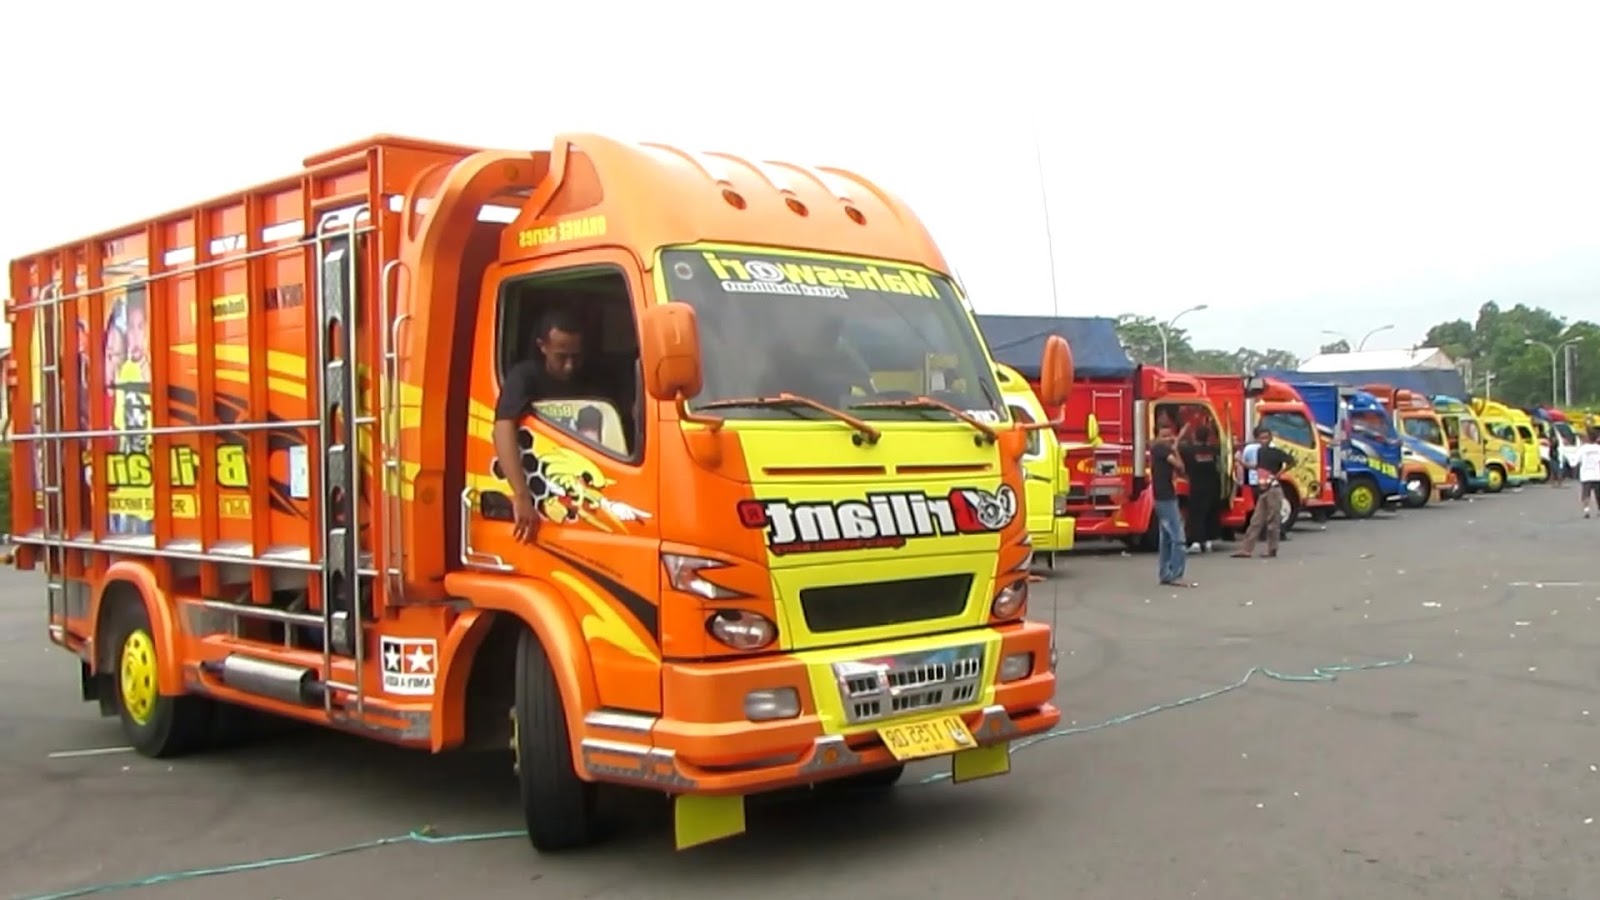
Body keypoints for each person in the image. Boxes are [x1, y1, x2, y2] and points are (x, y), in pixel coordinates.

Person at [494, 306, 613, 543]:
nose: (569, 366)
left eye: (576, 357)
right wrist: (521, 496)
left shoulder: (592, 377)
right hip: (545, 491)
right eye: (561, 357)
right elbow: (503, 427)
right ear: (542, 346)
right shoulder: (525, 377)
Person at [1232, 425, 1293, 559]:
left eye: (1266, 437)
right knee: (1256, 521)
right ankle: (1246, 549)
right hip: (1263, 489)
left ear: (1270, 438)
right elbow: (1258, 468)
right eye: (1261, 438)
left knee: (1273, 521)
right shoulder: (1259, 452)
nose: (1264, 440)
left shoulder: (1275, 452)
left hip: (1273, 489)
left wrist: (1278, 474)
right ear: (1257, 439)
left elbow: (1291, 462)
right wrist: (1242, 463)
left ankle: (1272, 549)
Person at [1149, 422, 1195, 588]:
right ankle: (1176, 574)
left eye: (1169, 435)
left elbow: (1180, 468)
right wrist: (1175, 446)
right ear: (1157, 436)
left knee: (1166, 538)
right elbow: (1180, 466)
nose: (1167, 439)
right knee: (1178, 538)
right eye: (1164, 436)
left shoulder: (1157, 449)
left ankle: (1165, 573)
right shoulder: (1161, 449)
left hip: (1162, 496)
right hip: (1166, 497)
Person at [1180, 424, 1222, 553]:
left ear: (1194, 436)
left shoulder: (1189, 450)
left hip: (1197, 486)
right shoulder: (1212, 450)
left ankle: (1197, 542)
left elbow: (1175, 448)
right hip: (1213, 485)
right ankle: (1208, 542)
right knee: (1210, 513)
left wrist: (1181, 434)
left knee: (1197, 514)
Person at [1576, 429, 1600, 519]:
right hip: (1597, 474)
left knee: (1586, 493)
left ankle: (1586, 509)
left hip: (1586, 475)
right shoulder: (1598, 448)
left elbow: (1575, 461)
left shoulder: (1582, 449)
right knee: (1598, 494)